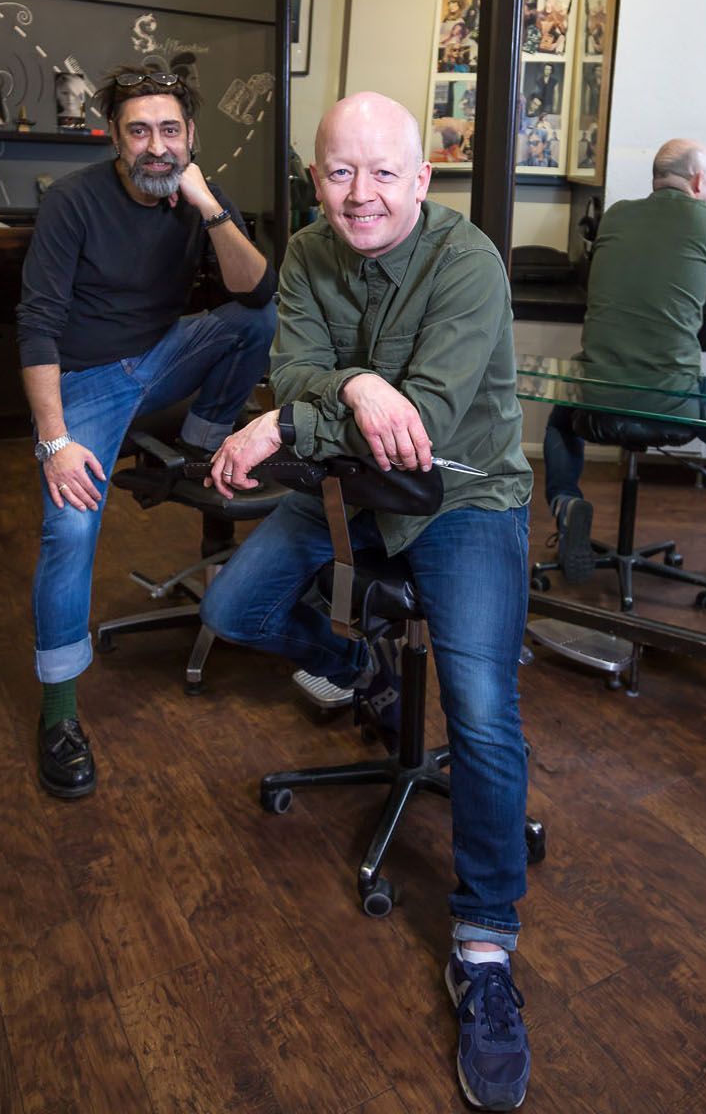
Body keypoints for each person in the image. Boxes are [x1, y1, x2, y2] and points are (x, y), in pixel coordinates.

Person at [200, 91, 535, 1112]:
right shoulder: (306, 251)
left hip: (462, 497)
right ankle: (361, 671)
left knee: (479, 713)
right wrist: (348, 387)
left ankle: (483, 947)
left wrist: (289, 422)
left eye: (385, 172)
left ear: (421, 179)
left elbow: (419, 431)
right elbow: (297, 370)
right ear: (316, 179)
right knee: (234, 611)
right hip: (345, 487)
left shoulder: (467, 261)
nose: (362, 194)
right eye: (341, 172)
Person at [16, 64, 277, 799]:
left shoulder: (195, 193)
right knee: (67, 533)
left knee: (255, 318)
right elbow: (36, 324)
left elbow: (257, 292)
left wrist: (209, 207)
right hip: (86, 384)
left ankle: (194, 447)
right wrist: (53, 442)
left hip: (161, 366)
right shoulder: (73, 202)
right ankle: (60, 714)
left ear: (190, 137)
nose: (155, 146)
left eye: (169, 130)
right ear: (114, 137)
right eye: (138, 131)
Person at [543, 138, 706, 584]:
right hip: (670, 403)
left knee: (560, 420)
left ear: (656, 179)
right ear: (699, 180)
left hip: (597, 402)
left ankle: (566, 501)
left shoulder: (617, 215)